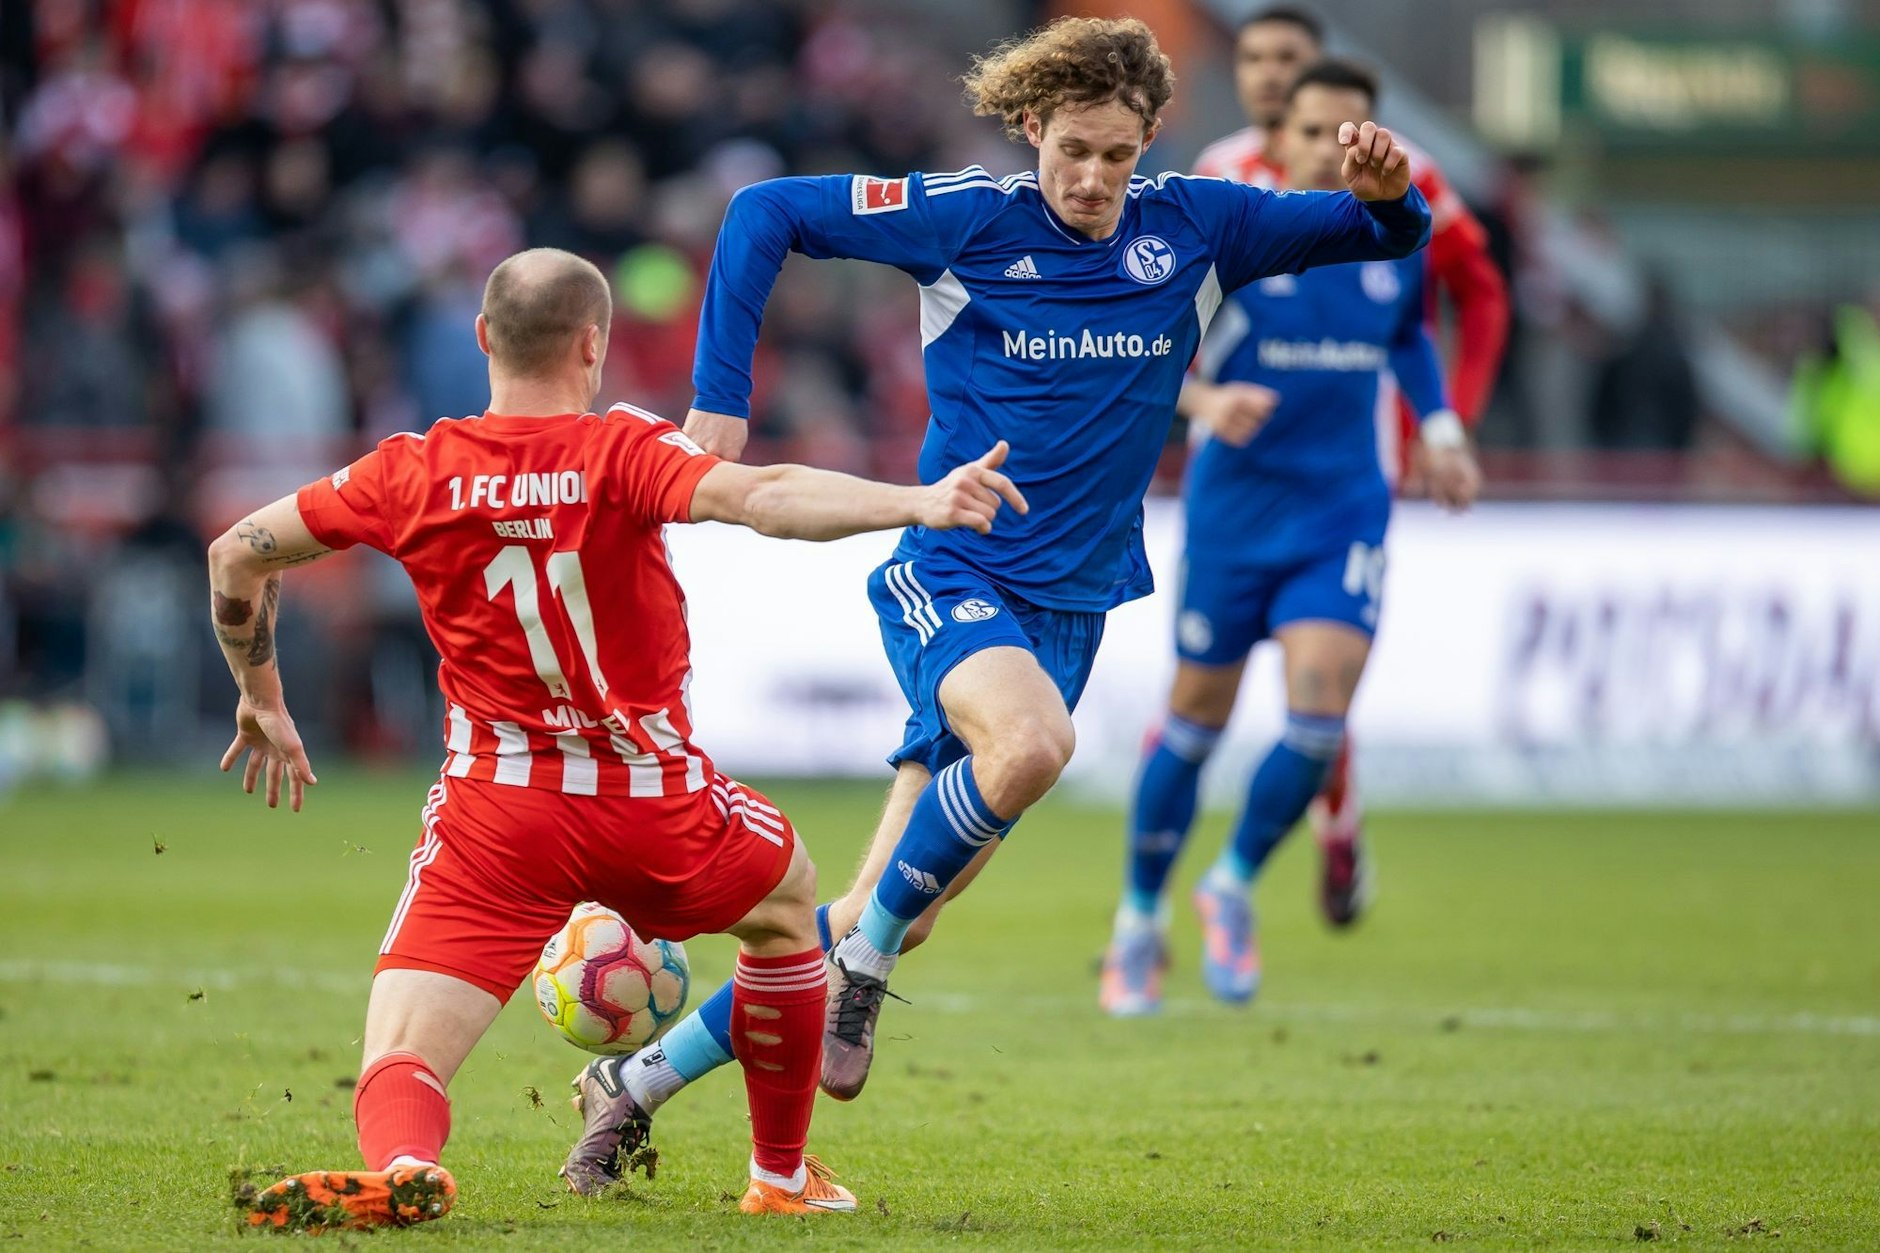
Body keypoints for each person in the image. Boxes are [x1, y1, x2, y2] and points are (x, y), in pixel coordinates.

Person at [557, 15, 1431, 1165]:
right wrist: (721, 398)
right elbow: (763, 210)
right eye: (1072, 149)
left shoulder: (1200, 225)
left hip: (1069, 609)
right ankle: (861, 966)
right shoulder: (966, 216)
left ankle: (633, 1080)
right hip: (953, 571)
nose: (1092, 178)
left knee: (895, 903)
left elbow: (1380, 234)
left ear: (1150, 140)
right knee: (1028, 747)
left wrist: (1390, 194)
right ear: (1030, 127)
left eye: (1116, 154)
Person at [208, 247, 1025, 1230]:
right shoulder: (619, 451)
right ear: (593, 344)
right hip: (652, 800)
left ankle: (408, 1163)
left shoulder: (410, 470)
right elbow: (763, 497)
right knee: (788, 907)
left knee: (402, 1053)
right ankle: (778, 1174)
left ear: (483, 338)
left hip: (498, 811)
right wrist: (917, 501)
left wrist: (261, 696)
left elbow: (237, 553)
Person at [1100, 62, 1482, 1015]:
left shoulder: (1397, 233)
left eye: (1348, 133)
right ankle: (1138, 920)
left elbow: (1409, 337)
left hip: (1342, 507)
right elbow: (1138, 346)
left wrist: (1440, 429)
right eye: (1312, 132)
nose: (1329, 150)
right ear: (1280, 141)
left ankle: (1230, 883)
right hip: (1235, 513)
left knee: (1319, 717)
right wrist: (1203, 402)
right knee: (1195, 721)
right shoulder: (1237, 236)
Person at [1193, 6, 1509, 921]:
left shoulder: (1406, 171)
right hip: (1235, 465)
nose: (1269, 74)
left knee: (1318, 671)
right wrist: (1186, 403)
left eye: (1288, 58)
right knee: (1207, 702)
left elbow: (1459, 298)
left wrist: (1445, 426)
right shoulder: (1216, 170)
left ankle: (1315, 828)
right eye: (1254, 58)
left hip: (1344, 466)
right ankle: (1174, 894)